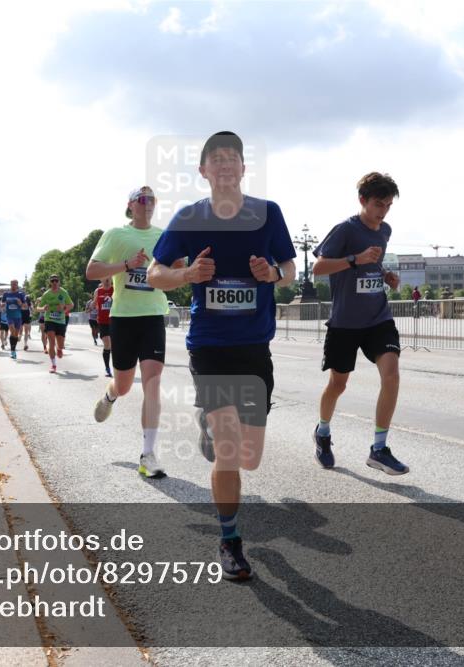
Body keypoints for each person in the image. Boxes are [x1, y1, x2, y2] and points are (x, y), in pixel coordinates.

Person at [148, 131, 297, 579]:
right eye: (217, 159)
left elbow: (290, 271)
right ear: (204, 170)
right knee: (232, 452)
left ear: (244, 167)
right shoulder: (190, 217)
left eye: (234, 157)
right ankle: (230, 540)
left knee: (250, 455)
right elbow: (155, 273)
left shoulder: (268, 214)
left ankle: (210, 432)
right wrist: (189, 273)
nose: (226, 165)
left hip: (255, 345)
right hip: (210, 346)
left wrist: (270, 273)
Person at [311, 171, 407, 476]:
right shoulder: (344, 230)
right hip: (345, 323)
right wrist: (356, 259)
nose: (383, 212)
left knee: (391, 374)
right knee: (338, 385)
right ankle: (323, 432)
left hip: (378, 318)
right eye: (378, 204)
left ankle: (379, 449)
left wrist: (385, 276)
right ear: (362, 200)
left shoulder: (385, 230)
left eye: (389, 205)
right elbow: (318, 268)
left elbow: (372, 265)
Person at [88, 185, 180, 480]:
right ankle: (110, 395)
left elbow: (177, 271)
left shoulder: (163, 236)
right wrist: (127, 265)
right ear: (130, 205)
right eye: (142, 199)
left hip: (154, 315)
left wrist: (178, 269)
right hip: (124, 317)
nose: (148, 204)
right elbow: (92, 270)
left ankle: (148, 454)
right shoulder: (116, 234)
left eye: (152, 199)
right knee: (125, 385)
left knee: (152, 383)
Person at [38, 275, 72, 373]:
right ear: (50, 282)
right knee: (51, 342)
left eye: (56, 280)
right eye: (52, 281)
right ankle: (53, 365)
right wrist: (43, 308)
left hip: (60, 321)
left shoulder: (63, 292)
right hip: (49, 320)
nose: (54, 282)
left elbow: (71, 305)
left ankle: (60, 349)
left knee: (60, 345)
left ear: (59, 282)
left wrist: (64, 307)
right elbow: (38, 308)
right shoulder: (46, 294)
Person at [93, 276, 114, 377]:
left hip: (115, 321)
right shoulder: (98, 291)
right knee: (107, 342)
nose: (106, 281)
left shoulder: (115, 289)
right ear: (100, 280)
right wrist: (91, 305)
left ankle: (118, 368)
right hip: (103, 322)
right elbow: (94, 303)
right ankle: (107, 368)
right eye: (104, 279)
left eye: (108, 279)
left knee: (114, 345)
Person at [1, 280, 27, 359]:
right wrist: (3, 305)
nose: (13, 286)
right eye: (12, 284)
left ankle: (13, 349)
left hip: (18, 317)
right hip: (9, 316)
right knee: (12, 331)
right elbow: (2, 304)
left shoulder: (21, 294)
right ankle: (12, 351)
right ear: (10, 285)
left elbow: (25, 306)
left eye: (15, 284)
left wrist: (20, 303)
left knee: (15, 334)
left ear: (17, 285)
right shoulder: (6, 294)